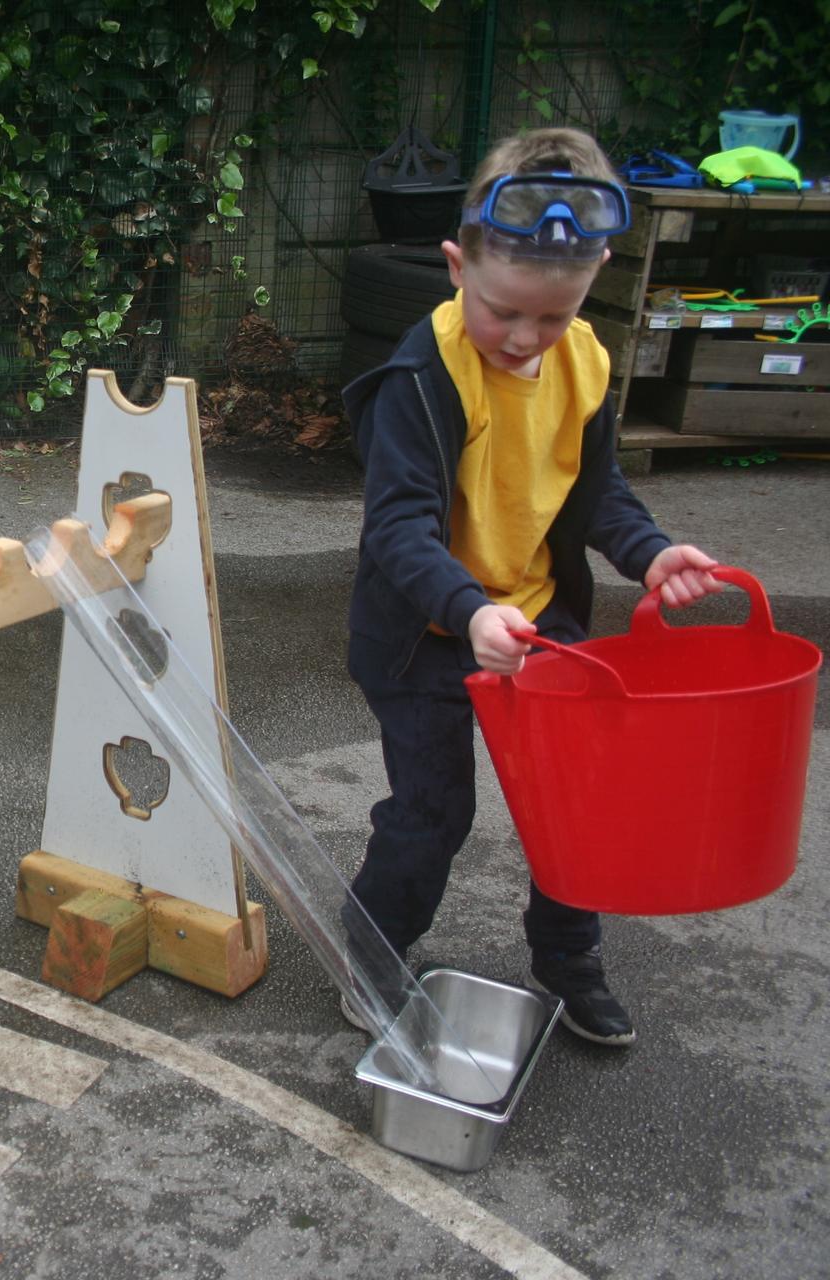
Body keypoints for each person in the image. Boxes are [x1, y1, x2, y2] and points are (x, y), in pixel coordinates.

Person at [340, 127, 724, 1047]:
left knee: (575, 806)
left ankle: (567, 960)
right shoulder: (424, 371)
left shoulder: (585, 362)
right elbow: (397, 528)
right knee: (434, 815)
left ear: (591, 286)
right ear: (454, 266)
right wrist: (470, 611)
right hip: (428, 635)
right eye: (503, 311)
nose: (524, 339)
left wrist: (651, 554)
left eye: (552, 318)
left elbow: (599, 494)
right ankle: (371, 954)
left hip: (542, 624)